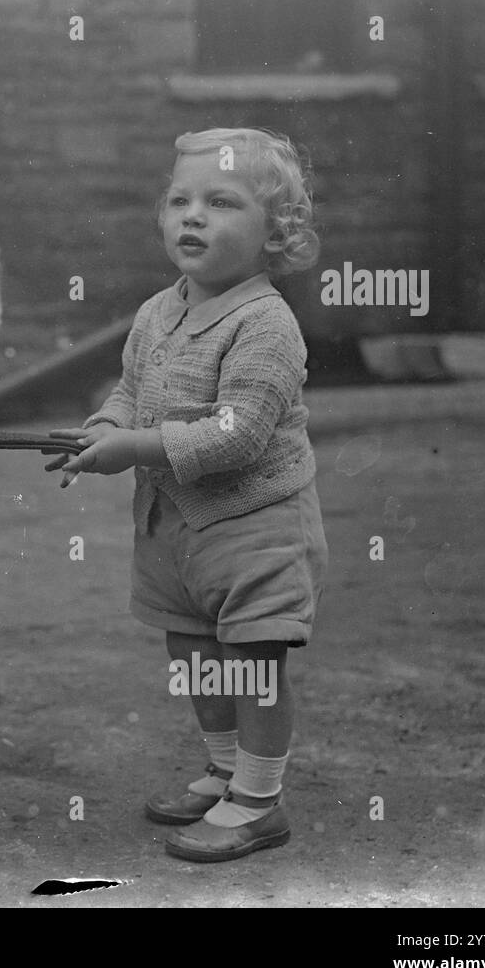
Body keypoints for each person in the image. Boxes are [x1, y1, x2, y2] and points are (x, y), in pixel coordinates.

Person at [46, 127, 329, 861]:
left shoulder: (266, 323)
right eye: (180, 200)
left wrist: (131, 449)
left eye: (222, 202)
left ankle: (260, 801)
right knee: (196, 654)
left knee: (252, 662)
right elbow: (132, 392)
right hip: (173, 528)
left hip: (254, 529)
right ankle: (225, 770)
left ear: (277, 235)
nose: (193, 216)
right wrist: (106, 424)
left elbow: (236, 435)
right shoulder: (156, 313)